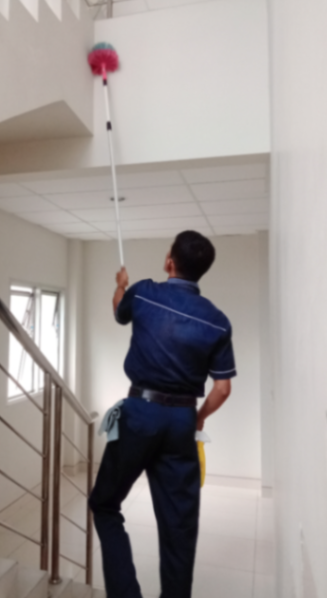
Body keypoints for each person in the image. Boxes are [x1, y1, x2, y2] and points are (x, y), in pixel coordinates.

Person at [89, 230, 236, 598]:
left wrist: (120, 285)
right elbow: (222, 388)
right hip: (182, 420)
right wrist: (198, 418)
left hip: (139, 412)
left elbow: (119, 311)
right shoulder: (218, 321)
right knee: (179, 528)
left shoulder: (143, 292)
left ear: (170, 261)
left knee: (104, 504)